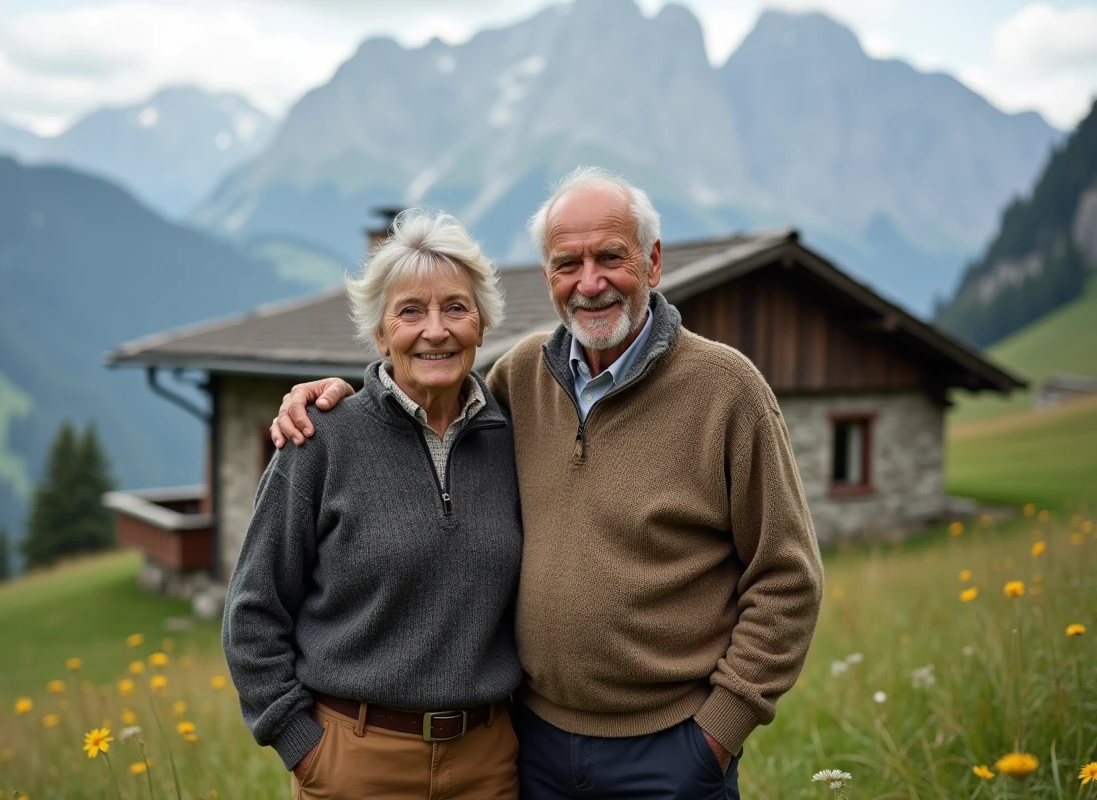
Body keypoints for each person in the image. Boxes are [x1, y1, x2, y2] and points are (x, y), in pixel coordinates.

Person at [273, 167, 825, 799]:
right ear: (548, 277)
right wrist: (339, 395)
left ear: (652, 263)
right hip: (532, 746)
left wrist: (717, 732)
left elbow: (787, 577)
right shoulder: (519, 380)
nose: (590, 283)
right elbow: (424, 380)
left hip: (672, 748)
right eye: (568, 264)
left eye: (610, 257)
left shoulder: (728, 391)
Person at [223, 209, 523, 799]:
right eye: (410, 311)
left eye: (455, 308)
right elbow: (253, 611)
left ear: (482, 326)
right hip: (354, 762)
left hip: (488, 763)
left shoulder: (515, 438)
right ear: (381, 334)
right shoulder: (320, 440)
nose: (435, 329)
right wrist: (303, 747)